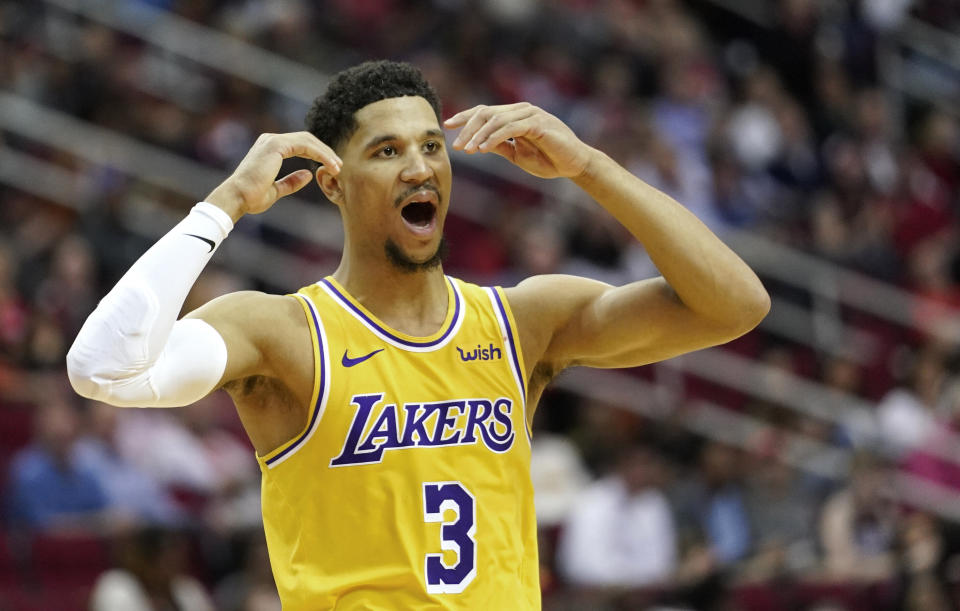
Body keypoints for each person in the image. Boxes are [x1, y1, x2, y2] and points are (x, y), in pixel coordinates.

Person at [66, 60, 769, 609]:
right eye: (387, 150)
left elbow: (733, 305)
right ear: (333, 183)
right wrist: (225, 204)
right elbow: (102, 368)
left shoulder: (521, 322)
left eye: (434, 145)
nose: (420, 166)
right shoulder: (283, 332)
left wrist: (587, 165)